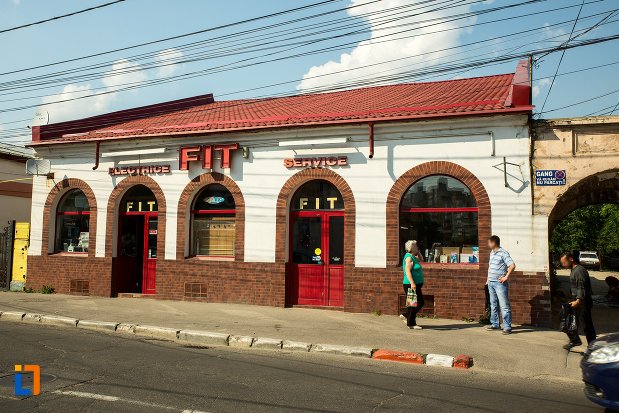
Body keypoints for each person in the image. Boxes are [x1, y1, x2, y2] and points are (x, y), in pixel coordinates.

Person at [560, 251, 596, 349]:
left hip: (582, 302)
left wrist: (578, 300)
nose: (563, 265)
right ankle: (574, 340)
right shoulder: (573, 269)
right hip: (576, 299)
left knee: (587, 326)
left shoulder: (579, 270)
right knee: (568, 321)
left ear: (571, 259)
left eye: (564, 262)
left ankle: (592, 348)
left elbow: (581, 286)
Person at [486, 235, 516, 335]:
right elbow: (490, 267)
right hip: (491, 282)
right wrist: (488, 280)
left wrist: (506, 277)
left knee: (504, 306)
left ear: (494, 243)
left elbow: (512, 265)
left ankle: (507, 327)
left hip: (500, 283)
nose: (488, 244)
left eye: (489, 242)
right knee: (493, 304)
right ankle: (495, 324)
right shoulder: (492, 253)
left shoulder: (503, 253)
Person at [402, 240, 424, 329]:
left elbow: (421, 259)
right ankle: (411, 323)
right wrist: (412, 283)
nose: (417, 246)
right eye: (415, 246)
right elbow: (407, 271)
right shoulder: (409, 258)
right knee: (413, 304)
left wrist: (418, 252)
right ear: (411, 248)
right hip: (410, 284)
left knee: (419, 302)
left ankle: (407, 316)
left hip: (415, 284)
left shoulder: (413, 256)